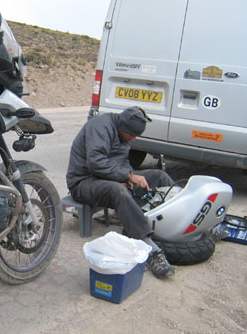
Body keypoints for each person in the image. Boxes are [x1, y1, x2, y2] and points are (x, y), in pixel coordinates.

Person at [66, 106, 175, 278]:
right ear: (121, 127)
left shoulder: (124, 133)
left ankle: (181, 218)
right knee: (118, 190)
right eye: (131, 135)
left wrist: (127, 176)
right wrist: (127, 177)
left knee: (159, 177)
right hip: (83, 182)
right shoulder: (100, 126)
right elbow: (95, 162)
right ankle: (149, 247)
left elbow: (122, 161)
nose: (133, 139)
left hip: (107, 178)